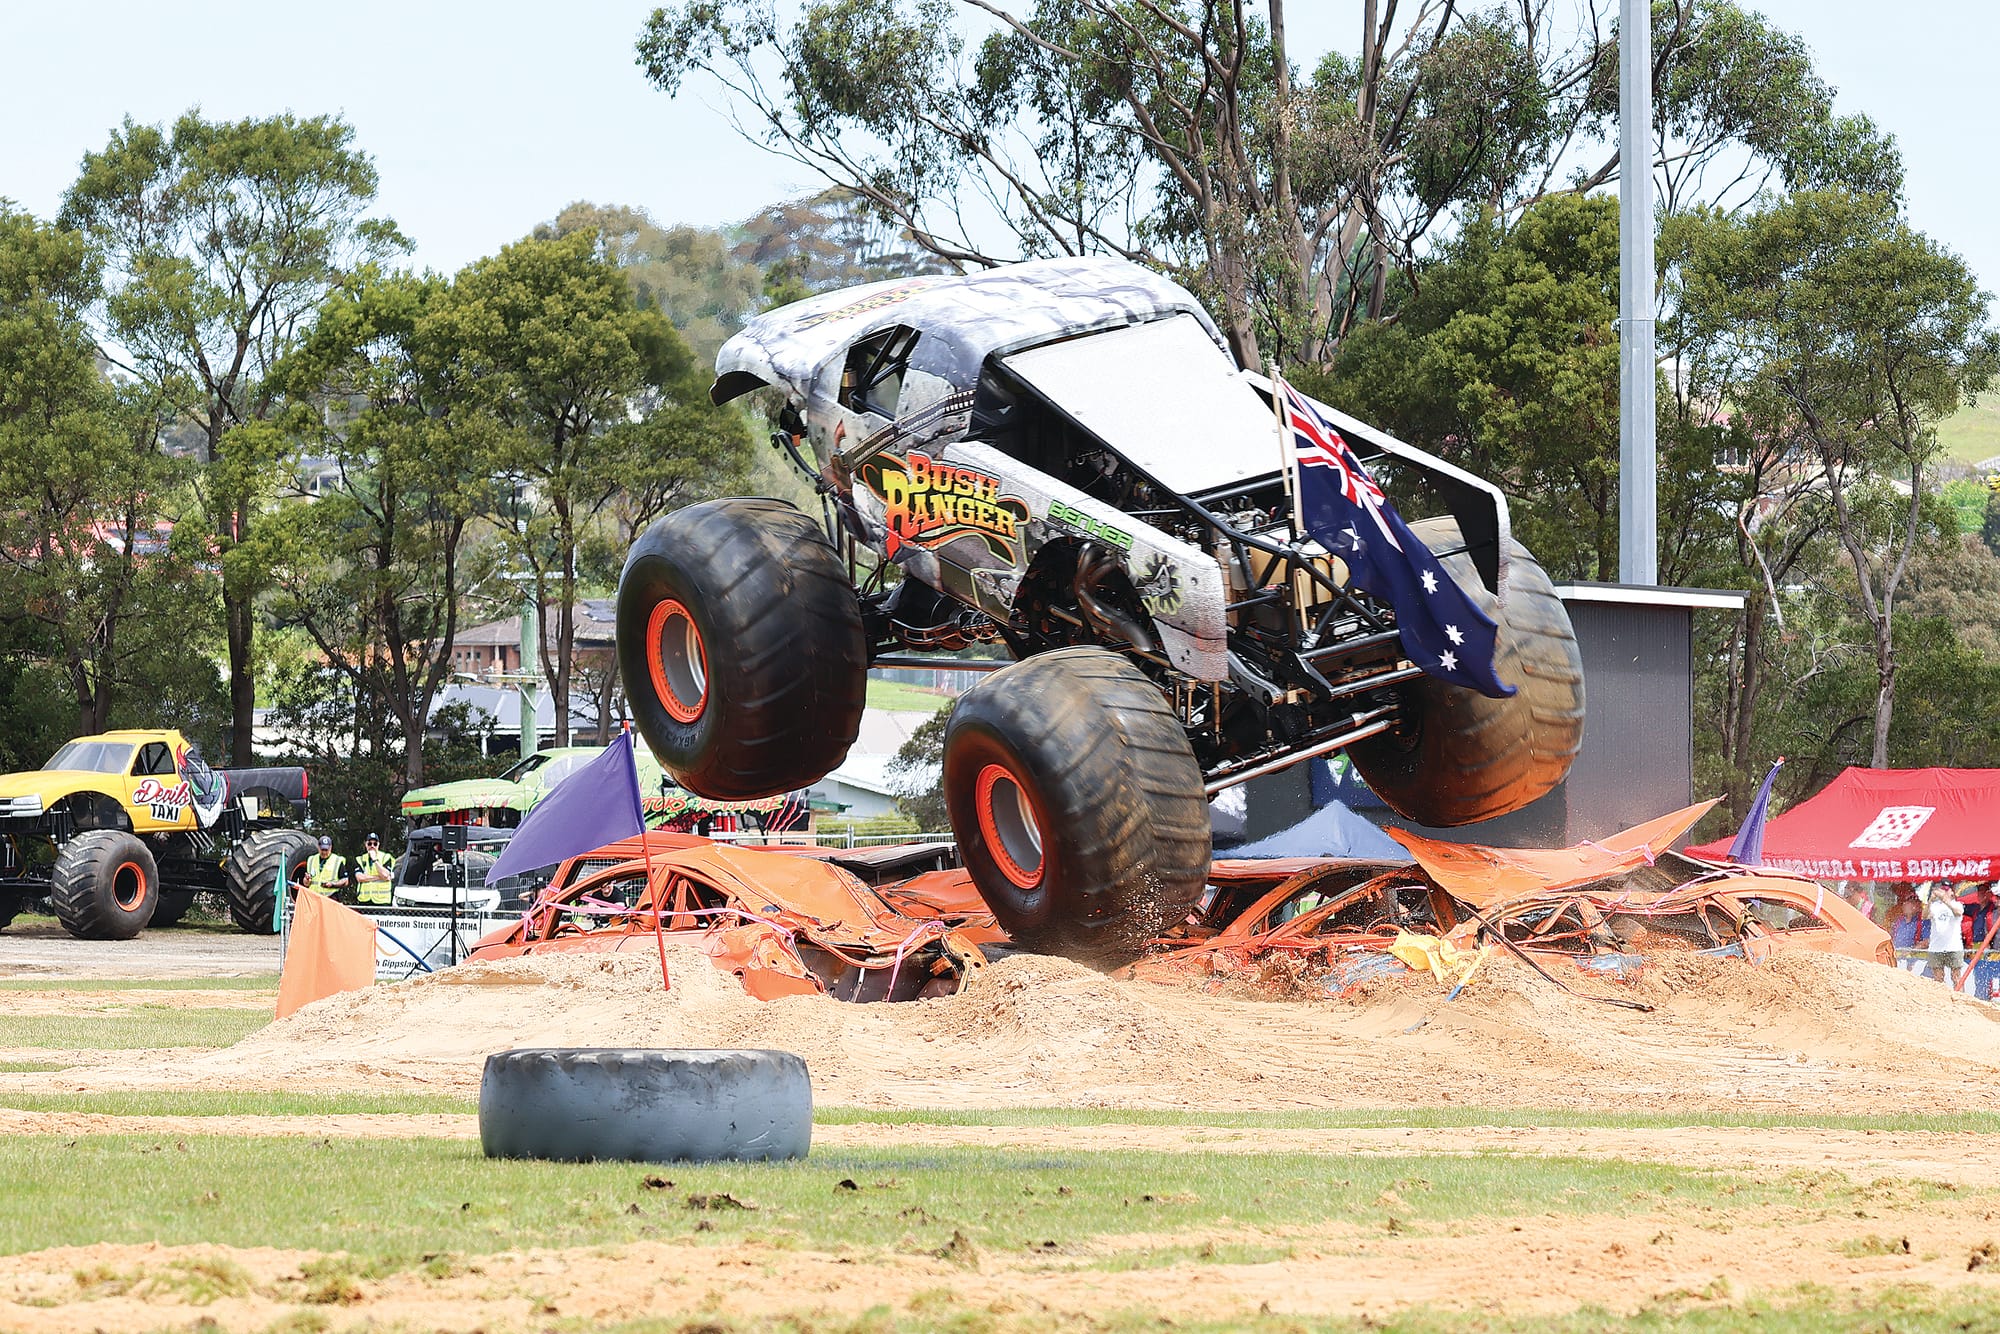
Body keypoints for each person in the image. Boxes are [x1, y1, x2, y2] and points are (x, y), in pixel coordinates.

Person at [1958, 881, 2000, 1000]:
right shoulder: (1975, 908)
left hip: (1989, 945)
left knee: (1989, 971)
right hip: (1976, 945)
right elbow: (1961, 908)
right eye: (1979, 892)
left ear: (1988, 893)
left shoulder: (1993, 908)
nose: (1980, 894)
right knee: (1978, 972)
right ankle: (1980, 995)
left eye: (1982, 892)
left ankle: (1987, 996)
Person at [1920, 881, 1966, 985]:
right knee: (1938, 978)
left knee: (1956, 977)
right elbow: (1924, 916)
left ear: (1952, 892)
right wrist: (1930, 900)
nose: (1943, 892)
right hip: (1936, 947)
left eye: (1946, 890)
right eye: (1942, 890)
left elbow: (1958, 912)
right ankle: (1942, 1000)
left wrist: (1945, 900)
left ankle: (1960, 998)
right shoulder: (1935, 906)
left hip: (1953, 947)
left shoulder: (1957, 904)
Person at [294, 835, 353, 900]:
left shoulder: (337, 861)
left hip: (330, 898)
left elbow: (345, 881)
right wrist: (307, 880)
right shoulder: (311, 860)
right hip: (314, 898)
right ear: (318, 847)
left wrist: (332, 884)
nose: (324, 852)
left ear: (330, 847)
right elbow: (306, 883)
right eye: (322, 850)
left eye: (326, 850)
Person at [353, 833, 395, 907]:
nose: (372, 846)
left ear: (378, 845)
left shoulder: (386, 857)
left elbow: (385, 875)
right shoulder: (360, 859)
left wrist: (375, 860)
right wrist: (378, 877)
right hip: (364, 900)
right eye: (369, 843)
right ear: (366, 844)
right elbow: (360, 878)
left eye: (375, 844)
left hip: (382, 901)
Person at [1890, 894, 1925, 972]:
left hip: (1915, 962)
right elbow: (1892, 937)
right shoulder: (1899, 921)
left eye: (1908, 903)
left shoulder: (1923, 921)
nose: (1904, 905)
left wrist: (1911, 951)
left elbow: (1926, 941)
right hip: (1896, 958)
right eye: (1905, 902)